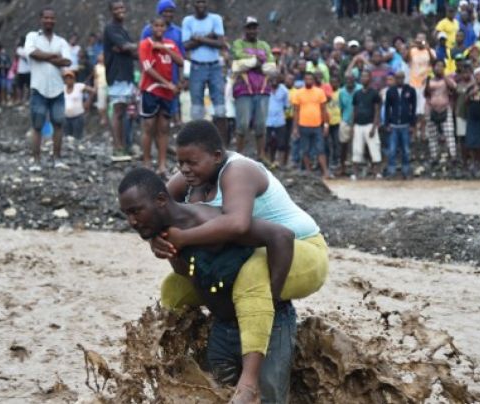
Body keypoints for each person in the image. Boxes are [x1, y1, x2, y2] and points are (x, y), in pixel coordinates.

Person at [155, 120, 329, 402]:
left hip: (301, 249)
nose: (185, 169)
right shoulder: (189, 177)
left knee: (252, 275)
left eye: (192, 162)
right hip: (251, 253)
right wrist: (156, 239)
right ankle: (183, 354)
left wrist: (183, 239)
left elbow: (237, 224)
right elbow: (154, 205)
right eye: (180, 162)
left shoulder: (239, 170)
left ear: (217, 156)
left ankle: (249, 382)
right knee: (174, 286)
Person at [119, 167, 298, 404]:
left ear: (161, 201)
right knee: (216, 396)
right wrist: (157, 242)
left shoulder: (209, 221)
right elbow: (184, 272)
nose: (131, 221)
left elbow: (282, 237)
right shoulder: (165, 235)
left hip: (268, 327)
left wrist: (271, 301)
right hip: (223, 328)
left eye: (136, 211)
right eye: (126, 214)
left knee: (268, 400)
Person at [24, 6, 72, 171]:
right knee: (37, 126)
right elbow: (31, 53)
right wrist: (54, 57)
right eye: (46, 18)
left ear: (55, 20)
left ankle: (57, 159)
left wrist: (43, 55)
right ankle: (36, 161)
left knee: (58, 124)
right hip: (38, 88)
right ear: (41, 19)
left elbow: (67, 62)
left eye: (52, 18)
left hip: (57, 89)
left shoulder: (61, 41)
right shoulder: (32, 36)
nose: (49, 20)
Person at [138, 15, 184, 177]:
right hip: (151, 90)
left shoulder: (170, 44)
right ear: (151, 27)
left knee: (164, 128)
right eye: (156, 26)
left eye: (161, 26)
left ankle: (162, 164)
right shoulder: (145, 45)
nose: (158, 29)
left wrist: (165, 49)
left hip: (167, 92)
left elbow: (180, 62)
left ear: (165, 28)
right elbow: (148, 69)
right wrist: (167, 83)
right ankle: (146, 161)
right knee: (149, 126)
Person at [182, 0, 228, 143]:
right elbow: (186, 45)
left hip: (214, 66)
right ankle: (198, 143)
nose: (200, 4)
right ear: (193, 4)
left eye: (203, 1)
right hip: (197, 66)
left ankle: (221, 144)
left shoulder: (216, 19)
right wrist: (210, 37)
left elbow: (221, 43)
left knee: (220, 108)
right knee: (197, 109)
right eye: (197, 2)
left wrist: (199, 38)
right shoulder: (188, 21)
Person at [232, 16, 275, 160]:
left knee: (261, 124)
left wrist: (249, 62)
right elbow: (237, 58)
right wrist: (258, 62)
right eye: (249, 28)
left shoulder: (264, 45)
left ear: (258, 29)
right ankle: (239, 154)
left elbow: (271, 65)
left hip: (262, 88)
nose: (252, 30)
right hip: (244, 88)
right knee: (242, 124)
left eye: (254, 27)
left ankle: (261, 155)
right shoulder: (238, 43)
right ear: (245, 29)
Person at [104, 0, 137, 162]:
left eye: (122, 7)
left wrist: (130, 47)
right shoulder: (110, 29)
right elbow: (124, 47)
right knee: (118, 112)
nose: (120, 10)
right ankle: (117, 148)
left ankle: (124, 145)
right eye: (116, 8)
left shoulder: (123, 29)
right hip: (116, 75)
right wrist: (128, 47)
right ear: (111, 11)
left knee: (124, 112)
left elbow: (130, 50)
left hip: (127, 75)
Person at [291, 72, 330, 178]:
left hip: (317, 125)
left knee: (320, 149)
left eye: (310, 79)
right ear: (304, 80)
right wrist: (295, 128)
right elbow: (296, 111)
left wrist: (326, 125)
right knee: (305, 149)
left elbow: (324, 109)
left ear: (313, 80)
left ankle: (325, 171)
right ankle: (308, 172)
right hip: (303, 125)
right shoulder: (298, 93)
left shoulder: (320, 92)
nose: (308, 81)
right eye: (306, 79)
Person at [385, 71, 416, 178]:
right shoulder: (390, 91)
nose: (399, 80)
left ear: (404, 78)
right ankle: (391, 171)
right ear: (395, 79)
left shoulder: (410, 90)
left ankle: (406, 170)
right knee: (392, 150)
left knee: (406, 150)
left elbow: (414, 108)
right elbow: (387, 108)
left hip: (406, 125)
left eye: (401, 78)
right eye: (397, 78)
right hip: (393, 125)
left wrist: (412, 124)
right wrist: (387, 124)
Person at [424, 59, 457, 165]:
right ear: (433, 68)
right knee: (432, 134)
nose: (439, 68)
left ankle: (453, 156)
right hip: (431, 109)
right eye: (437, 66)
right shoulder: (429, 79)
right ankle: (434, 157)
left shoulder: (447, 79)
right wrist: (427, 84)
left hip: (445, 108)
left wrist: (444, 76)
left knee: (449, 133)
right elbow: (425, 94)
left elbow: (454, 87)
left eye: (441, 66)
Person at [351, 70, 381, 179]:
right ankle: (355, 173)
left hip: (370, 125)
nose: (364, 78)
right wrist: (352, 126)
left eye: (366, 76)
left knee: (374, 148)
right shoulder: (357, 94)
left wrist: (374, 126)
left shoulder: (374, 93)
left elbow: (377, 110)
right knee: (357, 149)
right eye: (362, 76)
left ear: (370, 79)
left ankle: (376, 172)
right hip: (358, 125)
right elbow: (354, 110)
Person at [265, 74, 290, 167]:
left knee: (281, 143)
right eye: (272, 79)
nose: (274, 81)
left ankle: (280, 162)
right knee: (268, 142)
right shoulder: (266, 89)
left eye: (276, 79)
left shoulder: (284, 90)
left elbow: (287, 105)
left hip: (280, 120)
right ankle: (268, 161)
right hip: (267, 120)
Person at [337, 74, 360, 177]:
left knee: (357, 146)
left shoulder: (359, 89)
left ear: (355, 79)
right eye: (348, 79)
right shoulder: (341, 92)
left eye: (351, 79)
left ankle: (357, 168)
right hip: (346, 120)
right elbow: (341, 108)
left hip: (359, 122)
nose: (349, 81)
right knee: (344, 145)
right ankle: (343, 167)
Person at [63, 70, 94, 140]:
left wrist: (88, 102)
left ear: (74, 79)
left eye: (70, 78)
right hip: (66, 117)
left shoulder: (79, 86)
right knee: (67, 138)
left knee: (77, 138)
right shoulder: (63, 88)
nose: (68, 80)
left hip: (77, 117)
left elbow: (92, 91)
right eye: (66, 78)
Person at [326, 76, 342, 171]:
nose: (333, 84)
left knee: (336, 142)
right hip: (328, 122)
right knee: (328, 143)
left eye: (335, 82)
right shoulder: (327, 93)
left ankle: (336, 160)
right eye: (331, 82)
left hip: (337, 121)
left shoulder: (340, 93)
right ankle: (329, 161)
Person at [94, 53, 109, 127]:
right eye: (100, 55)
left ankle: (108, 118)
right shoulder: (96, 67)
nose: (101, 57)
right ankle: (103, 118)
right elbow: (95, 78)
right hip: (101, 86)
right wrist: (95, 87)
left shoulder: (108, 65)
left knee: (108, 104)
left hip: (108, 86)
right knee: (101, 104)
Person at [15, 36, 31, 103]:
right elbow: (24, 55)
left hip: (26, 71)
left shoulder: (23, 49)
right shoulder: (20, 49)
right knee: (20, 86)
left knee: (27, 86)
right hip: (21, 71)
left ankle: (25, 99)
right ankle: (20, 99)